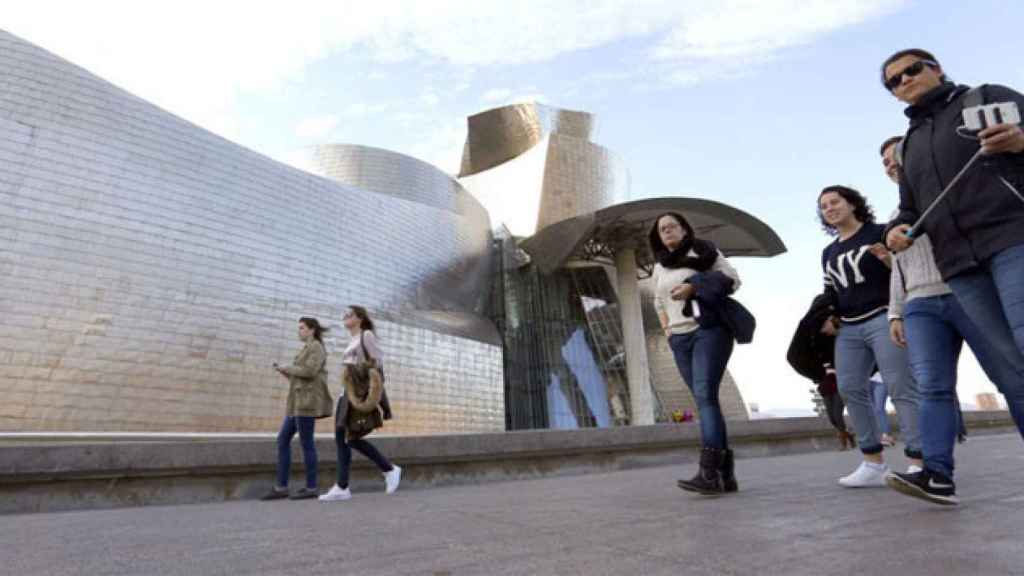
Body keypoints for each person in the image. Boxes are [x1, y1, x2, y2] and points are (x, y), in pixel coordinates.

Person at [879, 134, 1023, 505]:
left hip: (967, 291)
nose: (892, 164)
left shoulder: (954, 193)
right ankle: (938, 474)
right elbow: (899, 268)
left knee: (1010, 375)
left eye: (897, 156)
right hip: (921, 305)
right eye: (885, 162)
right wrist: (896, 310)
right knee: (932, 387)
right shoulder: (898, 218)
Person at [881, 49, 1024, 410]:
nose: (904, 81)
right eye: (893, 82)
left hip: (1012, 237)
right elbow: (911, 208)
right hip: (959, 265)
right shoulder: (909, 145)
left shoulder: (986, 96)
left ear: (937, 69)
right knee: (1012, 364)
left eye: (911, 70)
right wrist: (895, 231)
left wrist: (1020, 142)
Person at [818, 185, 923, 488]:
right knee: (850, 389)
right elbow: (830, 290)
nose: (829, 209)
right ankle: (872, 462)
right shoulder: (829, 252)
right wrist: (829, 315)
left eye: (834, 202)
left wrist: (888, 261)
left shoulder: (879, 232)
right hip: (848, 326)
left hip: (883, 316)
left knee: (901, 386)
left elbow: (905, 270)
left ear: (852, 204)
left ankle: (918, 462)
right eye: (824, 206)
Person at [650, 212, 745, 495]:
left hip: (709, 330)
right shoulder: (660, 266)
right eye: (662, 229)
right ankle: (725, 476)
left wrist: (694, 287)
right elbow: (658, 301)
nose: (667, 231)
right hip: (680, 338)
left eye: (672, 226)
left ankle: (709, 471)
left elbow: (733, 280)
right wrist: (668, 331)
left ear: (683, 229)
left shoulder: (703, 251)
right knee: (706, 399)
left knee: (705, 395)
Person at [319, 306, 401, 501]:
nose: (345, 317)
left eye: (350, 314)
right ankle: (342, 487)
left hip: (357, 397)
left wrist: (369, 395)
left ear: (360, 318)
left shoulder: (367, 336)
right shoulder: (353, 340)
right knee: (342, 440)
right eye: (344, 314)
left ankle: (389, 469)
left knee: (351, 438)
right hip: (345, 395)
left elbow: (377, 366)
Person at [261, 317, 334, 500]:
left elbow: (310, 372)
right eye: (299, 328)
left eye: (302, 328)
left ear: (311, 330)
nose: (299, 331)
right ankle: (282, 487)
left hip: (306, 403)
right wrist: (285, 372)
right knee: (283, 440)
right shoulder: (307, 348)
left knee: (306, 443)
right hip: (297, 403)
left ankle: (311, 487)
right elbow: (301, 376)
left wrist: (289, 367)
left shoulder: (316, 347)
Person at [786, 293, 856, 450]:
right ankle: (847, 435)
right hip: (825, 380)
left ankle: (843, 441)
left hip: (839, 378)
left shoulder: (839, 328)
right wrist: (818, 373)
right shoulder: (812, 332)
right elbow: (799, 354)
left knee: (837, 412)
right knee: (831, 416)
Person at [869, 373, 896, 447]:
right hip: (867, 381)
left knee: (879, 408)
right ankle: (878, 435)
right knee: (872, 409)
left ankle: (886, 435)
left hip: (881, 380)